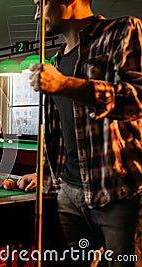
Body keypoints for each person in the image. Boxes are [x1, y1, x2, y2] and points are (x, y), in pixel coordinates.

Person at [17, 0, 142, 266]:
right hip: (69, 194)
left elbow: (137, 100)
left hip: (119, 192)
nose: (37, 15)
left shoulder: (124, 31)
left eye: (42, 4)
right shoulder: (56, 61)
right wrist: (45, 173)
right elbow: (62, 132)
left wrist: (65, 84)